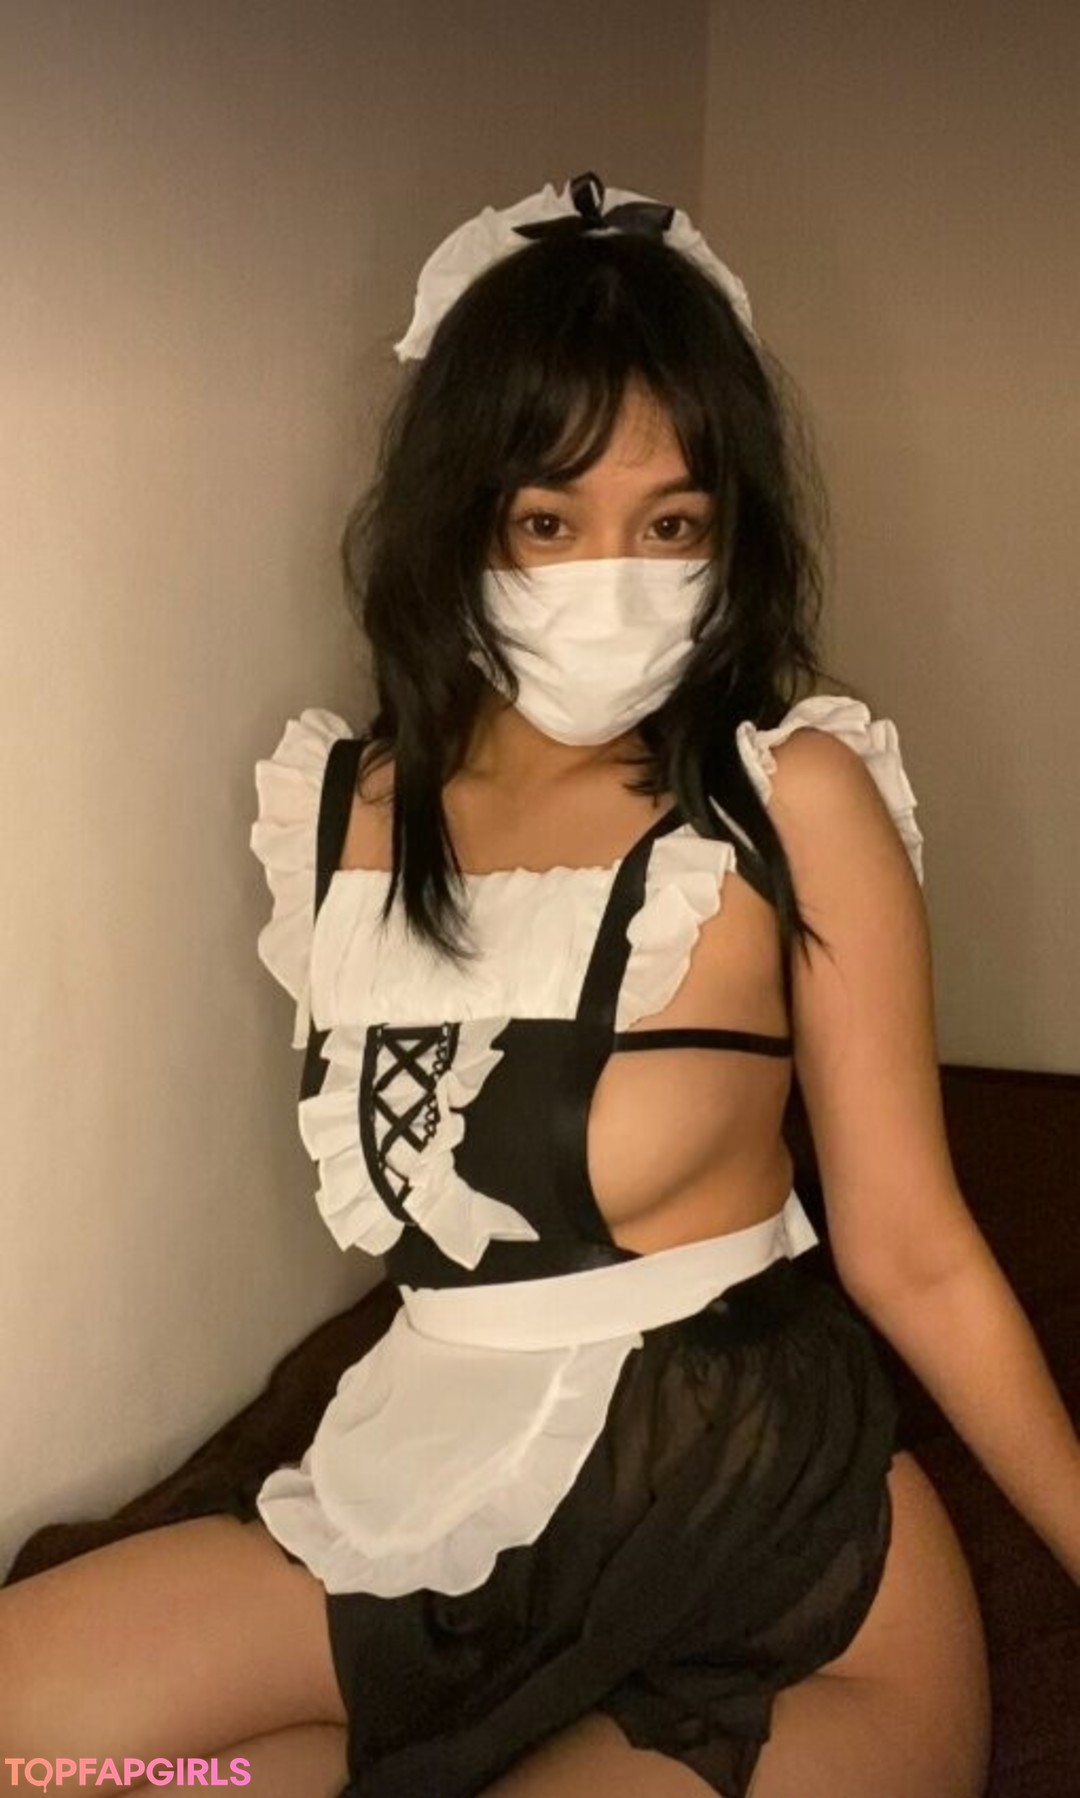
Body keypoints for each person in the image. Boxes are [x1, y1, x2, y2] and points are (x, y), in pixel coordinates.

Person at [2, 170, 1077, 1798]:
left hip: (771, 1577)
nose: (612, 578)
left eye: (672, 524)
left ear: (732, 539)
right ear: (465, 523)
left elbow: (916, 1254)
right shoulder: (348, 812)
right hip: (427, 1510)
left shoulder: (791, 800)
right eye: (550, 521)